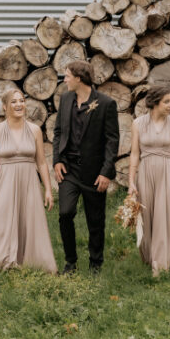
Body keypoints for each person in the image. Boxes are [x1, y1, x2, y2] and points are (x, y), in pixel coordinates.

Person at [0, 89, 57, 274]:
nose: (19, 105)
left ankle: (32, 262)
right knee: (1, 219)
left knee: (29, 220)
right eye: (14, 102)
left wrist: (48, 189)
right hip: (5, 182)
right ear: (4, 106)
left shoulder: (34, 130)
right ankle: (2, 260)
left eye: (21, 101)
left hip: (29, 183)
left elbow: (41, 162)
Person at [53, 60, 119, 274]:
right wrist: (57, 161)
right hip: (69, 170)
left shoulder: (106, 104)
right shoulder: (65, 99)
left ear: (79, 78)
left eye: (67, 76)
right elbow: (58, 133)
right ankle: (70, 261)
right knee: (65, 213)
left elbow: (112, 141)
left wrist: (105, 172)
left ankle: (95, 263)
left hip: (94, 173)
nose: (65, 80)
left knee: (95, 220)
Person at [128, 86, 170, 275]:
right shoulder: (138, 124)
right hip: (146, 171)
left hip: (167, 171)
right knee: (148, 215)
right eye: (166, 101)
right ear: (155, 103)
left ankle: (161, 262)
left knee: (164, 214)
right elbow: (135, 154)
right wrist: (131, 181)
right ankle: (150, 256)